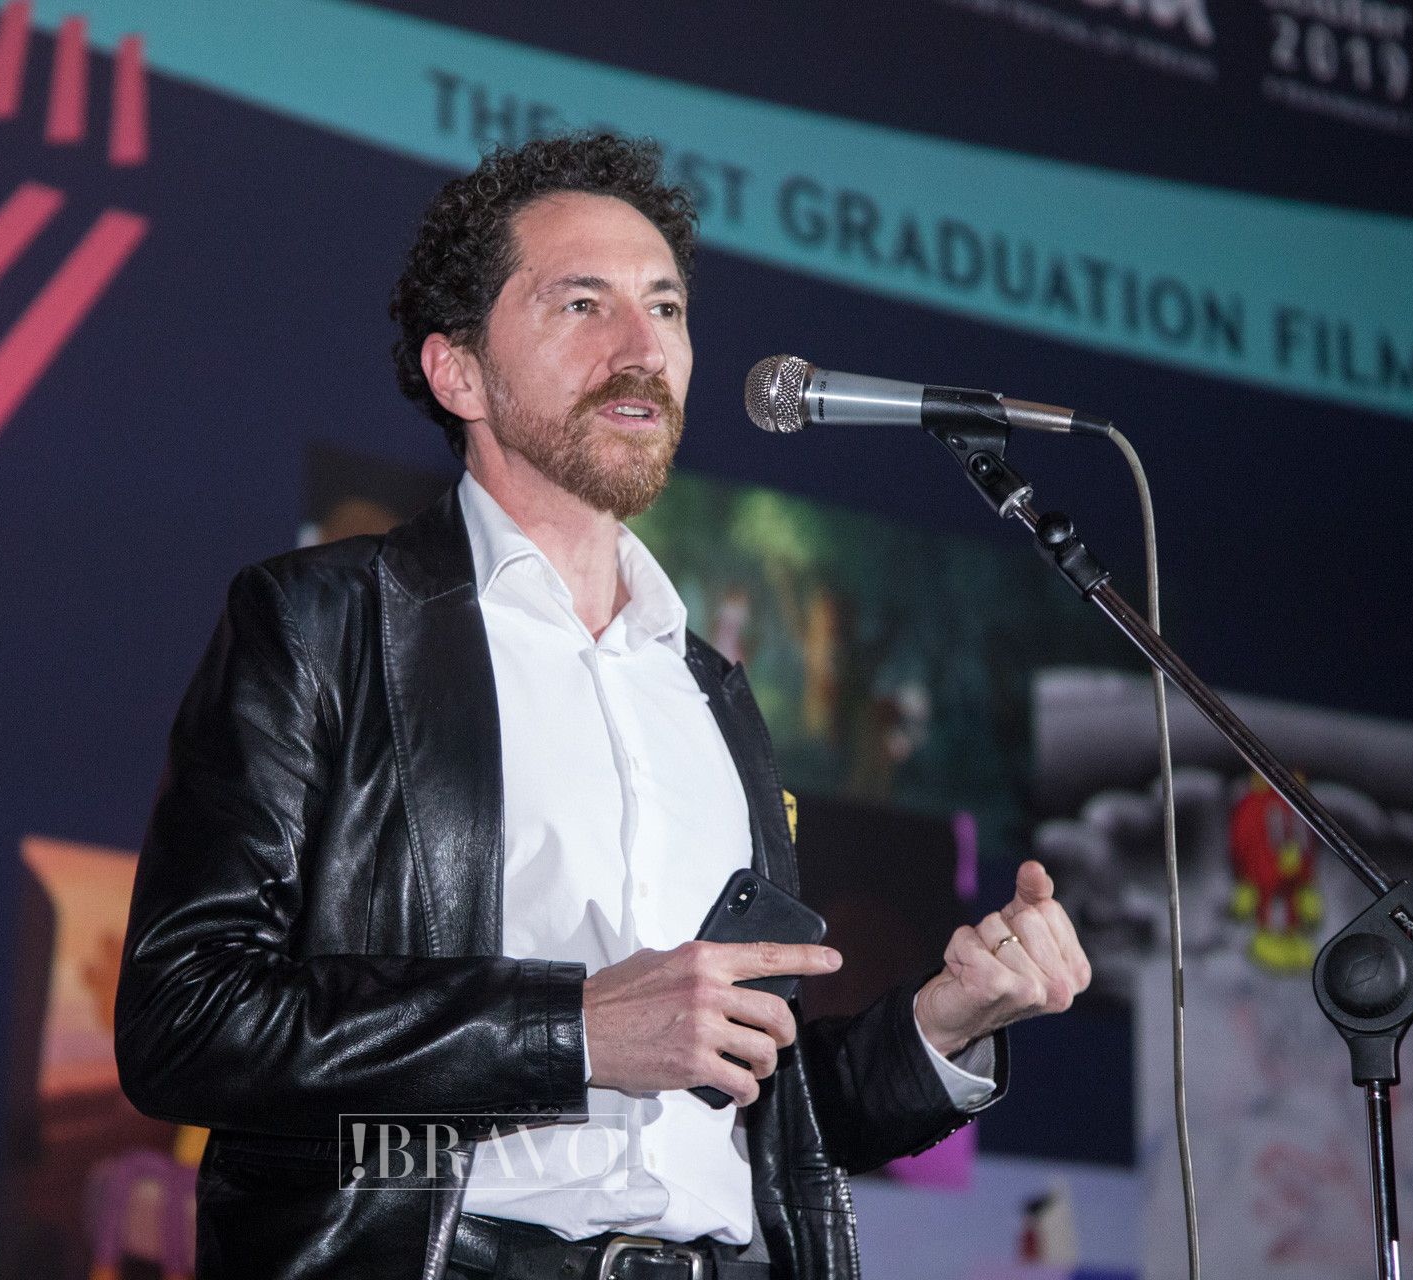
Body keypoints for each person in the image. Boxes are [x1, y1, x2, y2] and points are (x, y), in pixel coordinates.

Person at [116, 132, 1091, 1280]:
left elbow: (759, 1128)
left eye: (666, 307)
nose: (644, 349)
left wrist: (944, 1024)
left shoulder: (710, 691)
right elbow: (188, 1015)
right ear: (459, 374)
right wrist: (570, 1029)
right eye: (584, 303)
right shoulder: (324, 624)